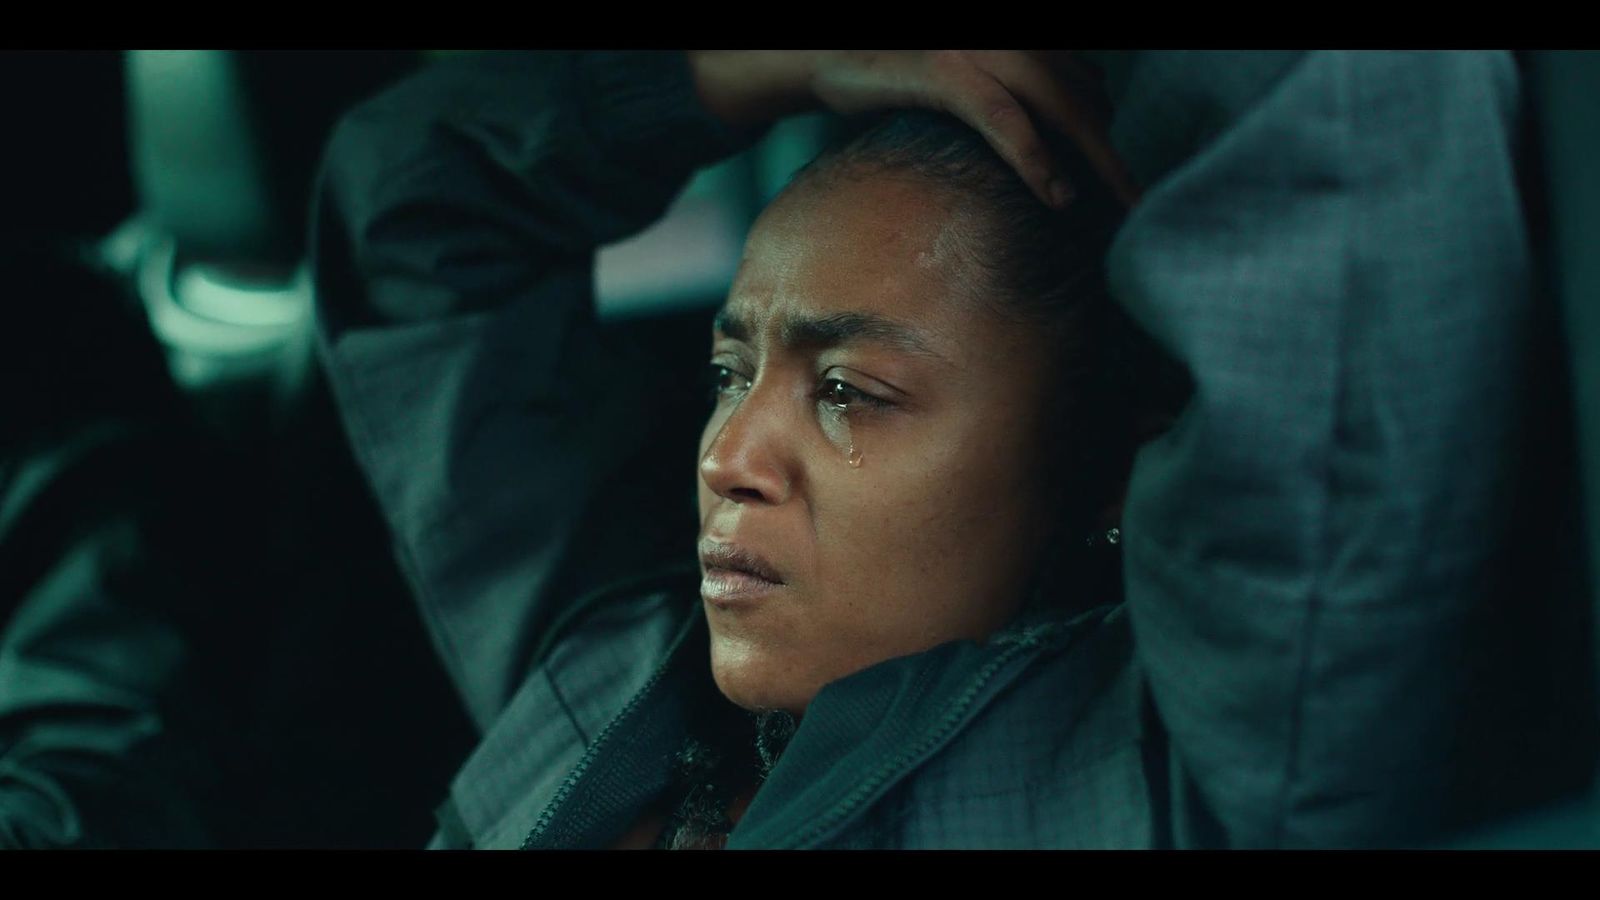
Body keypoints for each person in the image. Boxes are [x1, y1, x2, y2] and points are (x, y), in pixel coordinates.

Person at [312, 50, 1597, 848]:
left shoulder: (1185, 783)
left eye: (852, 392)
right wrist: (759, 64)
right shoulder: (611, 680)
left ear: (1104, 466)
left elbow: (1327, 119)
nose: (728, 452)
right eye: (727, 369)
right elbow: (408, 216)